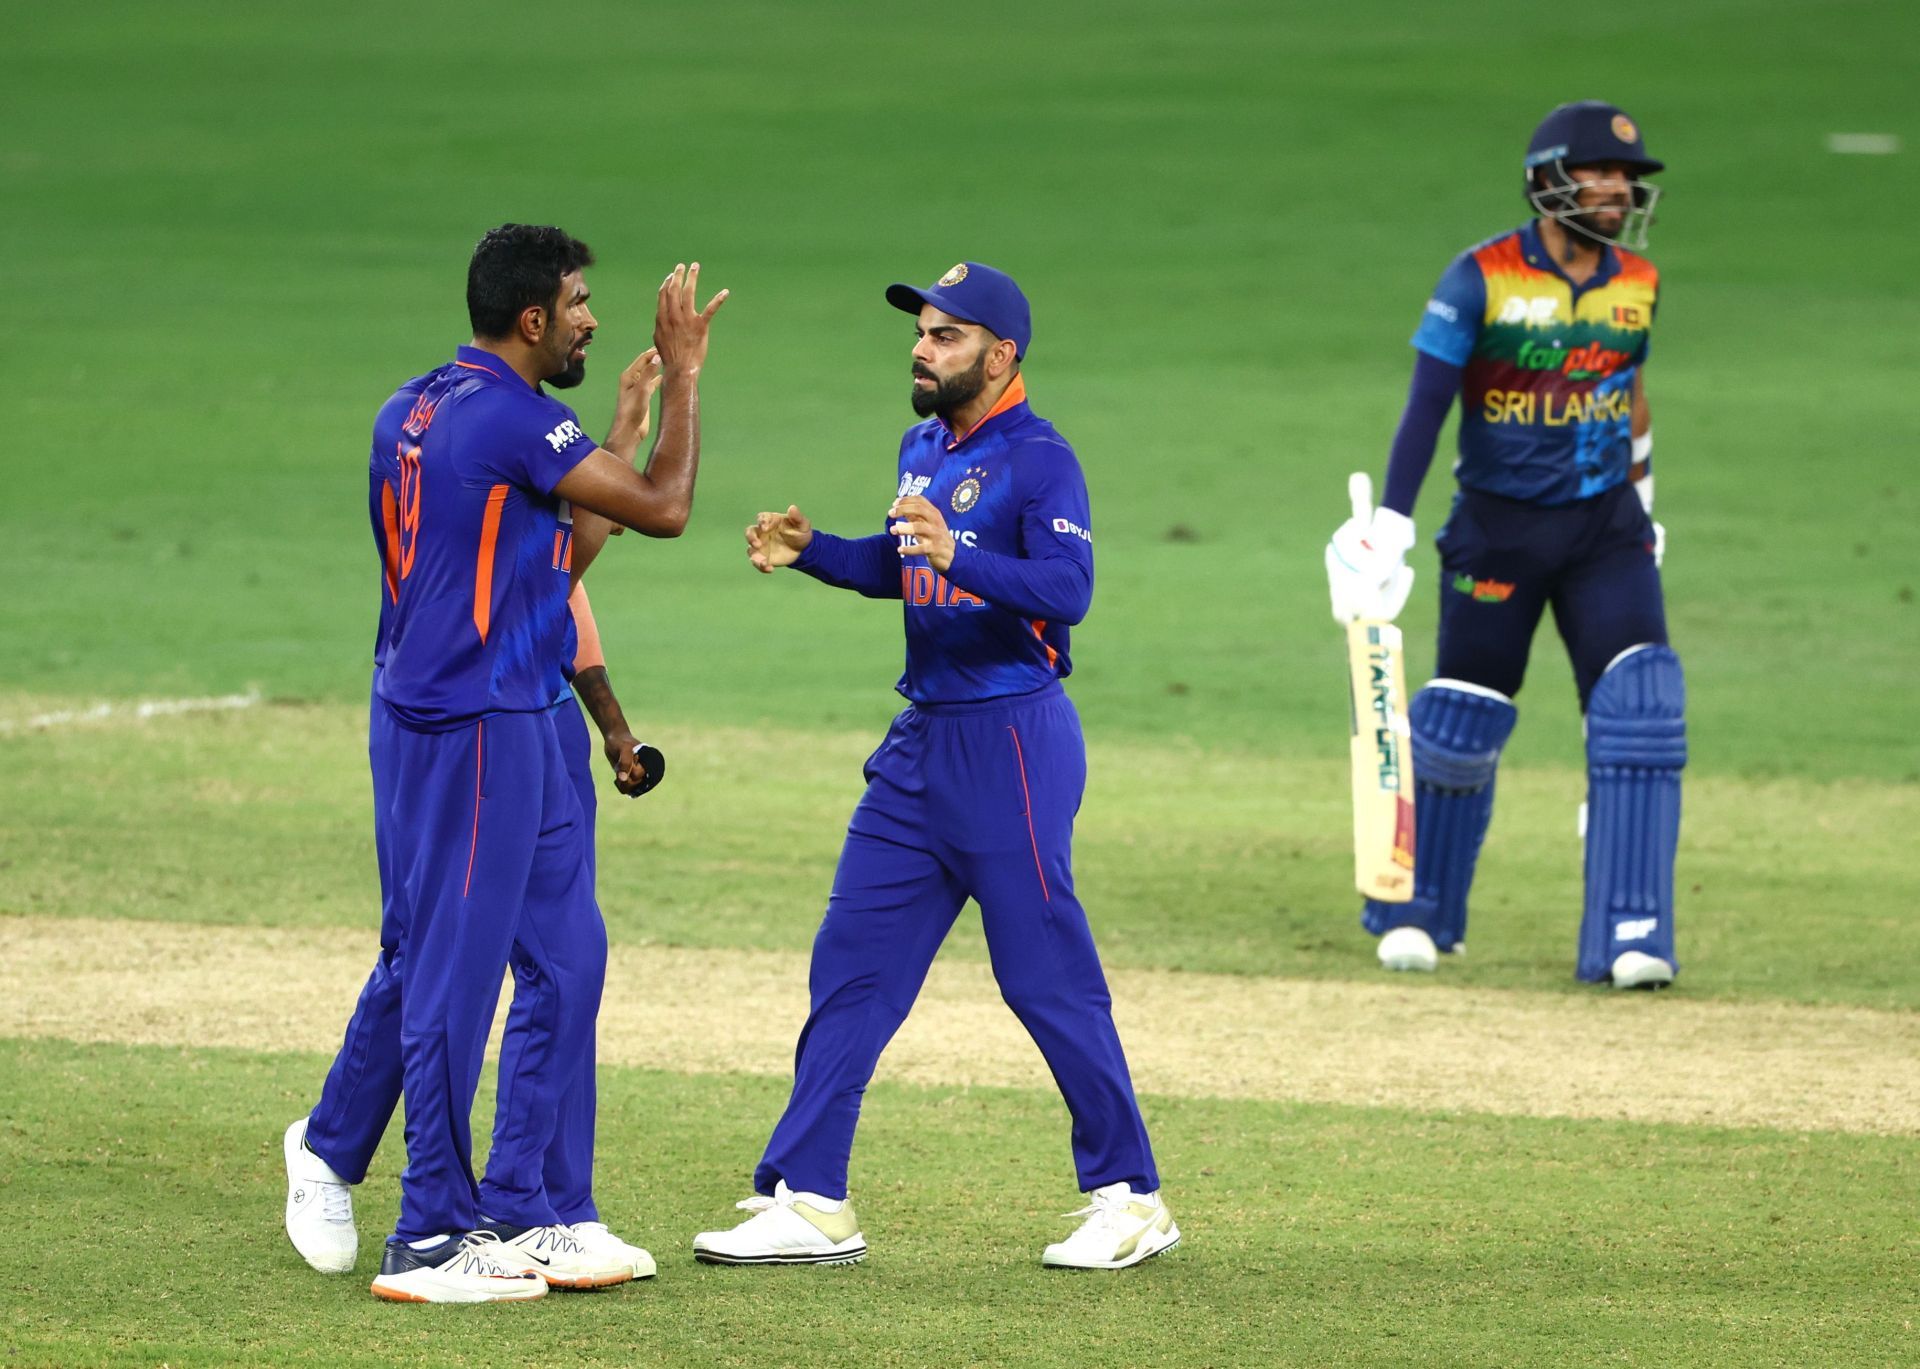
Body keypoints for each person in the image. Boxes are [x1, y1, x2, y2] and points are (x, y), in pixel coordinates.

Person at [697, 262, 1177, 1271]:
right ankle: (813, 1196)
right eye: (921, 331)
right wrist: (815, 548)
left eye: (947, 335)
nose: (922, 348)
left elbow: (1068, 585)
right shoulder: (922, 444)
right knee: (852, 966)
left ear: (1000, 355)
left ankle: (1130, 1196)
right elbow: (899, 560)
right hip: (921, 745)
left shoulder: (1042, 460)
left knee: (1045, 977)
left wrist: (963, 558)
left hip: (1011, 737)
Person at [291, 224, 725, 1305]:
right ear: (532, 319)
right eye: (579, 303)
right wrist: (681, 382)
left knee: (566, 958)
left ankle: (535, 1206)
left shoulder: (423, 402)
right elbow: (665, 508)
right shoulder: (514, 421)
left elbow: (546, 561)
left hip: (518, 712)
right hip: (463, 724)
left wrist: (613, 426)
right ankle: (429, 1232)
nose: (590, 318)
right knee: (448, 973)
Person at [1325, 101, 1685, 989]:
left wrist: (1644, 497)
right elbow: (1427, 404)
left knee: (1641, 709)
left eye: (1626, 178)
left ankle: (1632, 931)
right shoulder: (1477, 277)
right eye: (1599, 173)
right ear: (1549, 181)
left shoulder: (1637, 279)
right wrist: (1393, 526)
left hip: (1606, 529)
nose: (1617, 191)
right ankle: (1420, 911)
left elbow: (1628, 392)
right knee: (1462, 719)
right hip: (1499, 529)